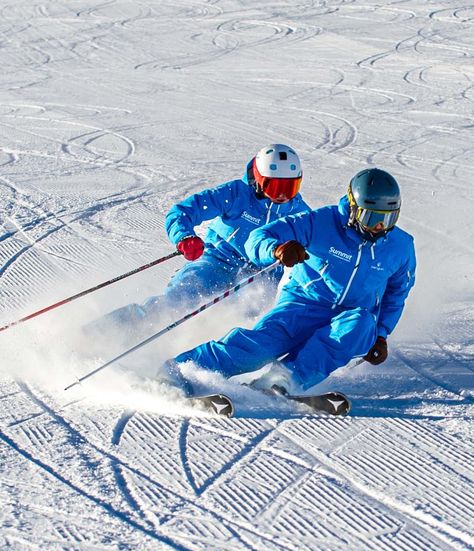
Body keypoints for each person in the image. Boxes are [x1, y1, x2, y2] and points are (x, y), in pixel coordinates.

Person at [163, 167, 416, 400]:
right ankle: (180, 372)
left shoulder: (400, 246)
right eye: (371, 218)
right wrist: (276, 249)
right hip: (302, 305)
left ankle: (280, 382)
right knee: (259, 348)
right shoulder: (320, 222)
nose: (379, 228)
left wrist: (381, 334)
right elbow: (258, 237)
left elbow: (397, 293)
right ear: (352, 208)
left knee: (359, 326)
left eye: (388, 218)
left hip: (352, 316)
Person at [87, 144, 311, 344]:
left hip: (264, 275)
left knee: (251, 322)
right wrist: (184, 237)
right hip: (219, 261)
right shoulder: (236, 194)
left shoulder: (300, 212)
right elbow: (183, 212)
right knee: (174, 304)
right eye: (275, 187)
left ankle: (207, 370)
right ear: (260, 180)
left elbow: (318, 246)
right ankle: (95, 336)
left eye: (290, 188)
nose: (282, 196)